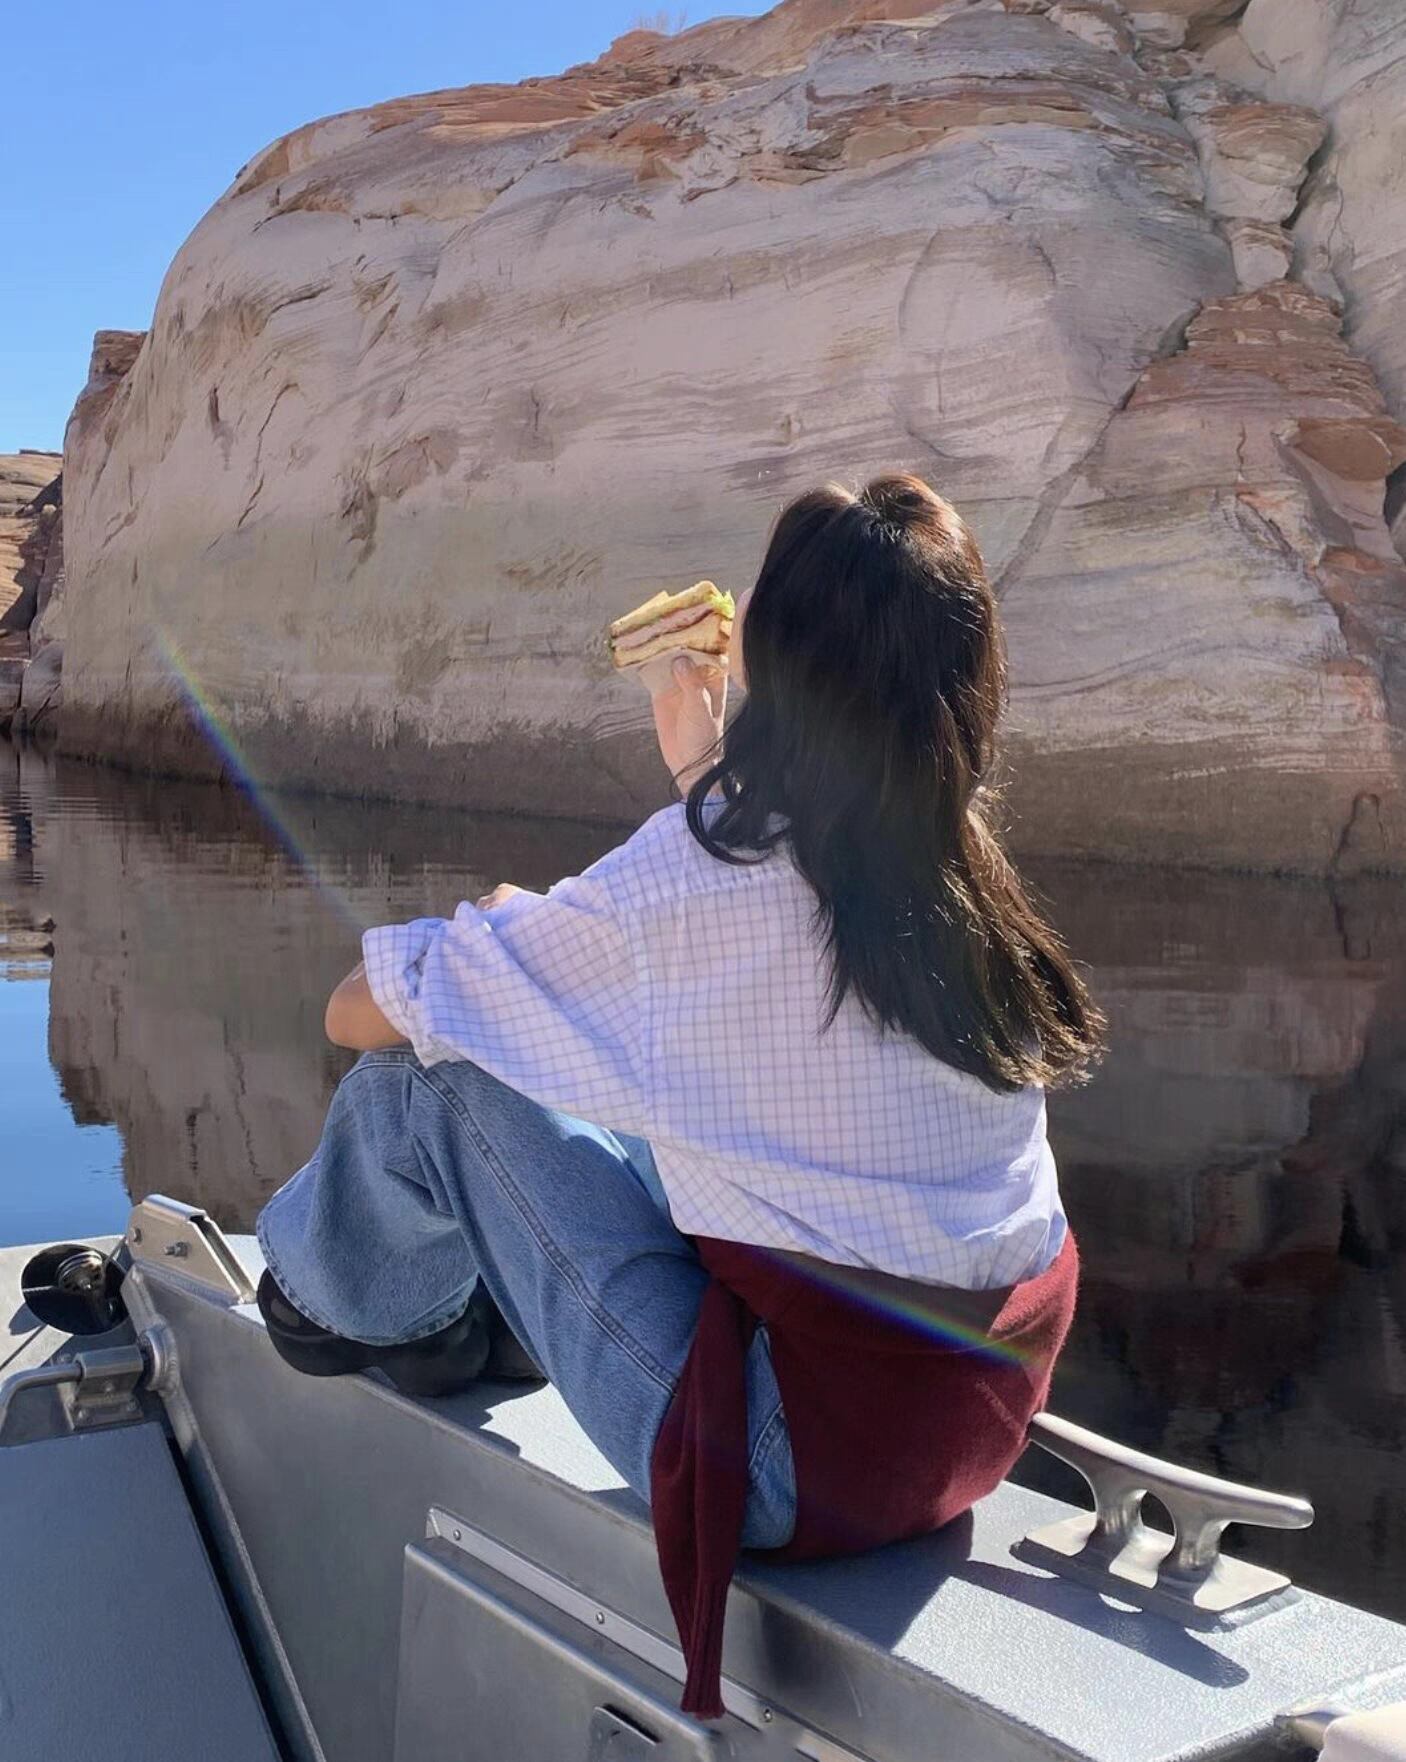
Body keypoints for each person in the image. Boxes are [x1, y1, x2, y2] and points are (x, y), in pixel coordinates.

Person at [254, 473, 1105, 1717]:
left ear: (782, 649)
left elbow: (360, 1008)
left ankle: (343, 1304)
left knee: (424, 1086)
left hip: (787, 1468)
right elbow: (771, 956)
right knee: (619, 1067)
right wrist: (701, 764)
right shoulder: (954, 858)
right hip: (970, 1424)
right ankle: (468, 1308)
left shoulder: (694, 881)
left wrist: (495, 928)